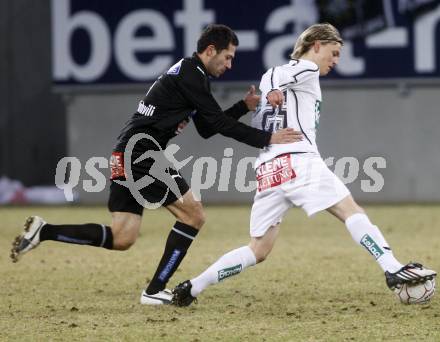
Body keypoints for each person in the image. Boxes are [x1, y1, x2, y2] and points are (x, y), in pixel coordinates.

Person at [10, 24, 303, 305]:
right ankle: (155, 290)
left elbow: (206, 127)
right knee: (194, 215)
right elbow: (216, 123)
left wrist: (242, 107)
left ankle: (44, 231)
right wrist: (269, 138)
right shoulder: (192, 74)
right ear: (211, 50)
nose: (229, 65)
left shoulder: (190, 75)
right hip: (142, 155)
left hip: (125, 153)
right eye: (228, 57)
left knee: (122, 237)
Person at [171, 23, 437, 307]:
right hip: (298, 160)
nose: (335, 61)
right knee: (350, 210)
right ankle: (392, 267)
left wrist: (270, 89)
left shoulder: (283, 79)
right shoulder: (305, 69)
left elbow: (272, 79)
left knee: (258, 249)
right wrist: (273, 87)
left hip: (269, 170)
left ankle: (193, 287)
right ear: (317, 45)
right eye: (333, 53)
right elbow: (276, 74)